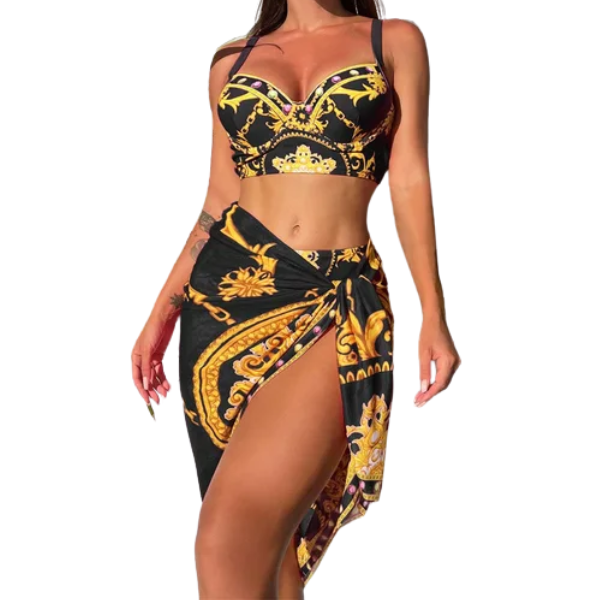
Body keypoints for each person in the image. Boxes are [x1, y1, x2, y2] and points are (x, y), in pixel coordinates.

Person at [130, 0, 461, 597]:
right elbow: (218, 197)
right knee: (270, 553)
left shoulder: (393, 41)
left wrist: (433, 314)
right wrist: (163, 309)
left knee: (226, 538)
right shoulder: (231, 61)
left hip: (337, 299)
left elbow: (410, 176)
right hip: (223, 303)